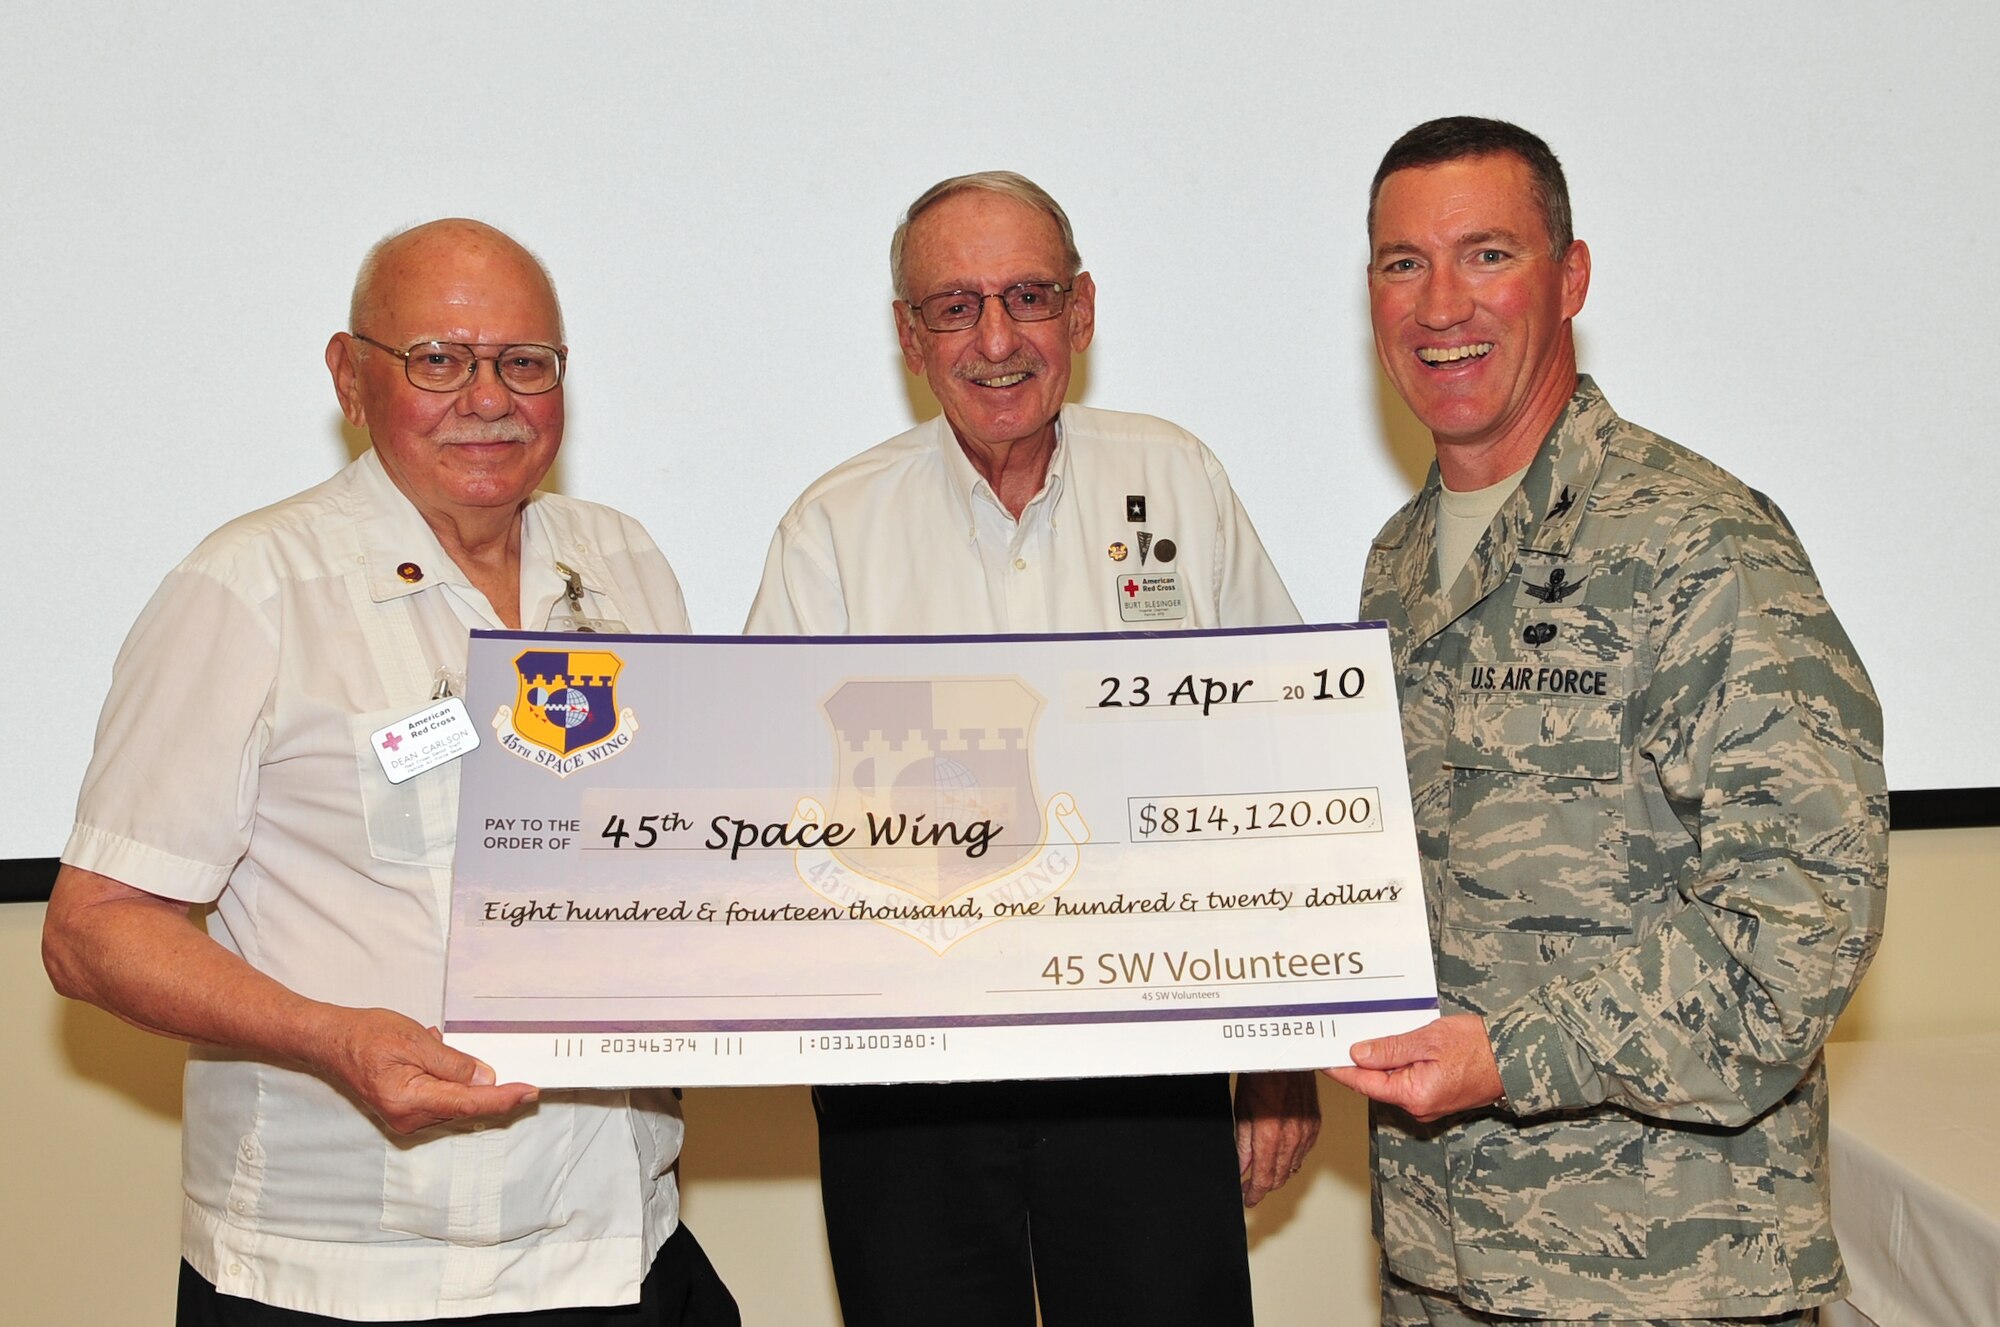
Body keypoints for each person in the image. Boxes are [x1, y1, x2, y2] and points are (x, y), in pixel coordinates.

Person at [42, 219, 738, 1326]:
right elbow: (91, 927)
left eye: (524, 363)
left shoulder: (622, 561)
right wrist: (331, 1035)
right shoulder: (249, 589)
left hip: (617, 1243)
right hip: (341, 1272)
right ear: (349, 378)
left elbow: (675, 846)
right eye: (437, 359)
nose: (487, 397)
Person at [1327, 117, 1888, 1326]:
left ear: (1569, 276)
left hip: (1665, 1277)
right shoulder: (1397, 565)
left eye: (1485, 254)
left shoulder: (1695, 543)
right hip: (1442, 1265)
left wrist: (1510, 1054)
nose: (1438, 305)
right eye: (1400, 264)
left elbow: (1798, 921)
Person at [746, 171, 1320, 1326]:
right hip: (902, 1068)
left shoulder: (1180, 481)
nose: (996, 339)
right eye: (953, 307)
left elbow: (1282, 757)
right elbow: (767, 810)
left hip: (1151, 1047)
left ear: (1083, 311)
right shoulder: (832, 528)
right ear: (909, 337)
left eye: (1028, 296)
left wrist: (1277, 1045)